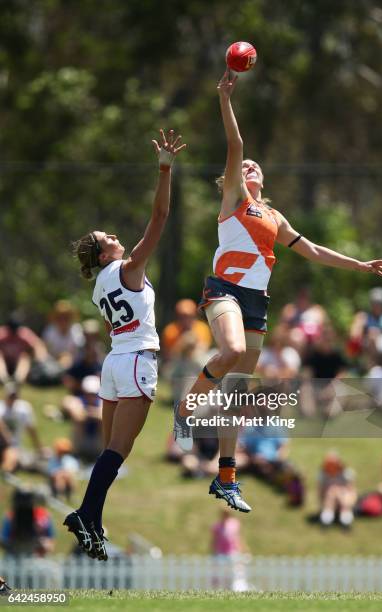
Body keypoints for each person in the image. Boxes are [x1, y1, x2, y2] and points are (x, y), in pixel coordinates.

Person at [173, 68, 382, 513]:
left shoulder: (273, 217)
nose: (249, 165)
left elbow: (311, 249)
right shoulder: (235, 198)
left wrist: (359, 264)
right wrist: (224, 98)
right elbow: (235, 146)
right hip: (225, 291)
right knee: (231, 350)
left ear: (263, 180)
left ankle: (226, 477)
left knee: (239, 393)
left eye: (256, 166)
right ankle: (186, 410)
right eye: (244, 165)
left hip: (257, 302)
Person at [63, 128, 186, 561]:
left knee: (111, 451)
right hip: (136, 360)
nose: (115, 236)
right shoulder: (128, 269)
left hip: (115, 363)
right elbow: (159, 217)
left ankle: (90, 519)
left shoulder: (99, 285)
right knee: (118, 450)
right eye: (107, 239)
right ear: (102, 254)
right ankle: (85, 517)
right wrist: (165, 171)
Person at [0, 383, 43, 473]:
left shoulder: (24, 409)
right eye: (10, 396)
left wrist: (39, 448)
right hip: (3, 445)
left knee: (16, 456)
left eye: (14, 396)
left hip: (14, 447)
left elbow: (32, 430)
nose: (12, 399)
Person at [1, 488, 55, 557]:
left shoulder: (44, 516)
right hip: (14, 556)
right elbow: (4, 539)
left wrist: (43, 544)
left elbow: (51, 542)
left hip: (36, 558)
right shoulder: (10, 517)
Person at [61, 375, 103, 462]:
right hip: (82, 441)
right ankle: (77, 454)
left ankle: (101, 455)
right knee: (78, 423)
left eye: (94, 394)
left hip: (97, 443)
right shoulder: (75, 400)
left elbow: (102, 417)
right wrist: (94, 413)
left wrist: (87, 412)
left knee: (103, 424)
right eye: (88, 393)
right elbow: (79, 417)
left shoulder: (103, 402)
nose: (91, 396)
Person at [0, 315, 47, 385]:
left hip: (18, 363)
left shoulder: (23, 333)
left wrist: (41, 359)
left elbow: (38, 344)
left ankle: (18, 380)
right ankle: (4, 379)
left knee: (24, 357)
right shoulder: (2, 333)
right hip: (5, 363)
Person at [318, 451, 357, 528]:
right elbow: (321, 491)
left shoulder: (347, 473)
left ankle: (345, 519)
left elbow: (352, 491)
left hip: (344, 498)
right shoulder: (322, 474)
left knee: (339, 492)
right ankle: (328, 518)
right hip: (329, 499)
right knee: (331, 492)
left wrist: (348, 501)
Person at [42, 300, 84, 368]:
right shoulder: (50, 331)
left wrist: (64, 358)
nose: (63, 321)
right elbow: (44, 351)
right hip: (51, 364)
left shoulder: (76, 330)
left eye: (66, 317)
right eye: (60, 317)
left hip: (75, 366)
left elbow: (75, 353)